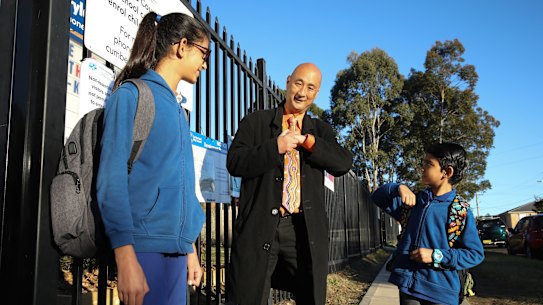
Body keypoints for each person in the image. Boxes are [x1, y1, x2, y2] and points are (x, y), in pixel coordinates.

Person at [96, 12, 210, 305]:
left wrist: (189, 248)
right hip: (143, 249)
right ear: (182, 46)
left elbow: (181, 186)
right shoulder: (132, 96)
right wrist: (125, 258)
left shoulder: (179, 111)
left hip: (176, 252)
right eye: (203, 53)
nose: (205, 64)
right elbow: (112, 179)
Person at [226, 63, 353, 305]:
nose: (302, 92)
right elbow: (235, 162)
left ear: (316, 94)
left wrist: (308, 142)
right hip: (261, 226)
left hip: (302, 230)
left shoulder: (321, 131)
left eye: (310, 87)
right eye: (298, 83)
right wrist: (276, 147)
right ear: (287, 82)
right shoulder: (256, 122)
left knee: (310, 295)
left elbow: (342, 162)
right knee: (248, 295)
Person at [371, 143, 484, 305]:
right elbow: (378, 197)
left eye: (428, 164)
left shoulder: (460, 211)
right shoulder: (414, 201)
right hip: (408, 287)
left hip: (441, 293)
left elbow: (475, 254)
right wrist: (398, 188)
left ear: (447, 172)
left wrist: (436, 255)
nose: (422, 168)